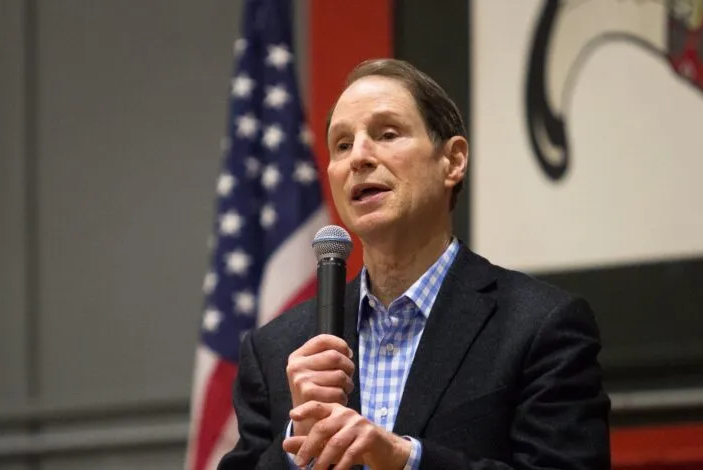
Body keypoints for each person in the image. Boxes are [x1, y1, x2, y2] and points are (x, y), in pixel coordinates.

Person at [218, 58, 611, 470]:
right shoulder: (278, 349)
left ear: (453, 161)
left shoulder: (539, 326)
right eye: (343, 144)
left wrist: (406, 460)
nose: (360, 158)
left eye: (387, 134)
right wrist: (296, 444)